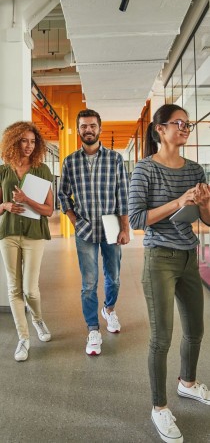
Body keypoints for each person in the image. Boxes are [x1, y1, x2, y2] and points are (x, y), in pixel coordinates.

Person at [128, 104, 210, 443]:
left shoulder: (195, 169)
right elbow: (136, 220)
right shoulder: (144, 169)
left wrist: (203, 202)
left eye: (188, 123)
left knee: (195, 329)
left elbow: (208, 219)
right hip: (159, 257)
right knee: (162, 336)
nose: (186, 127)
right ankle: (159, 407)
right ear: (159, 130)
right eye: (179, 123)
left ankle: (188, 383)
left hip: (189, 255)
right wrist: (178, 202)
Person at [58, 109, 130, 355]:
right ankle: (92, 329)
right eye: (83, 126)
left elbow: (123, 194)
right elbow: (62, 195)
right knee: (89, 283)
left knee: (115, 277)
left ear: (99, 128)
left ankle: (109, 310)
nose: (88, 130)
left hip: (111, 226)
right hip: (85, 228)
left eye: (92, 126)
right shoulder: (70, 161)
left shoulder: (115, 159)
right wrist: (73, 220)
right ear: (78, 130)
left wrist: (125, 228)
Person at [0, 121, 54, 362]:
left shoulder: (42, 170)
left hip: (34, 235)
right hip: (9, 233)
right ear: (14, 141)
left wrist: (26, 199)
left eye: (33, 142)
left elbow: (49, 210)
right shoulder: (3, 172)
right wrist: (5, 205)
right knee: (14, 288)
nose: (29, 146)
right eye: (24, 141)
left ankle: (38, 320)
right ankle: (24, 338)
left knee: (30, 289)